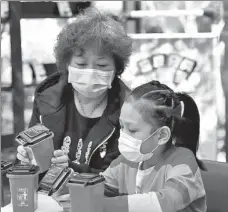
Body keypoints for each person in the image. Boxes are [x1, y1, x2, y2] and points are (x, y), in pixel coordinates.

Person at [16, 7, 132, 178]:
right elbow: (32, 162)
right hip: (49, 199)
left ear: (117, 68)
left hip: (100, 201)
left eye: (101, 66)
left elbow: (122, 178)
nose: (91, 72)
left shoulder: (129, 109)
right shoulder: (48, 98)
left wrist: (73, 171)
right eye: (81, 64)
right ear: (67, 64)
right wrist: (26, 160)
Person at [56, 80, 207, 212]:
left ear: (161, 136)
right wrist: (63, 181)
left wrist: (98, 206)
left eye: (132, 130)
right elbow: (96, 189)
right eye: (121, 126)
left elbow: (165, 202)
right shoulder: (124, 163)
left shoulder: (183, 162)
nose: (124, 135)